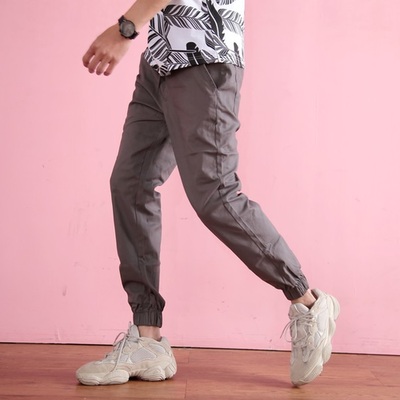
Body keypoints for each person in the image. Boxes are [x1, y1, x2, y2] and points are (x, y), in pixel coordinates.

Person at [76, 0, 340, 387]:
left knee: (216, 194)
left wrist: (124, 29)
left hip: (204, 54)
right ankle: (147, 338)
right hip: (161, 57)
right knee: (131, 184)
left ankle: (308, 302)